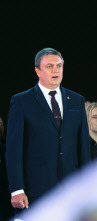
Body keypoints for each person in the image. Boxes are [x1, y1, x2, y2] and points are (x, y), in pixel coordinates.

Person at [6, 48, 90, 212]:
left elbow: (83, 147)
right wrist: (17, 189)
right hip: (36, 191)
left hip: (72, 189)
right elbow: (14, 151)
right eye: (49, 66)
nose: (55, 70)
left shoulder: (76, 100)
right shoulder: (22, 101)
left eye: (59, 66)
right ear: (37, 70)